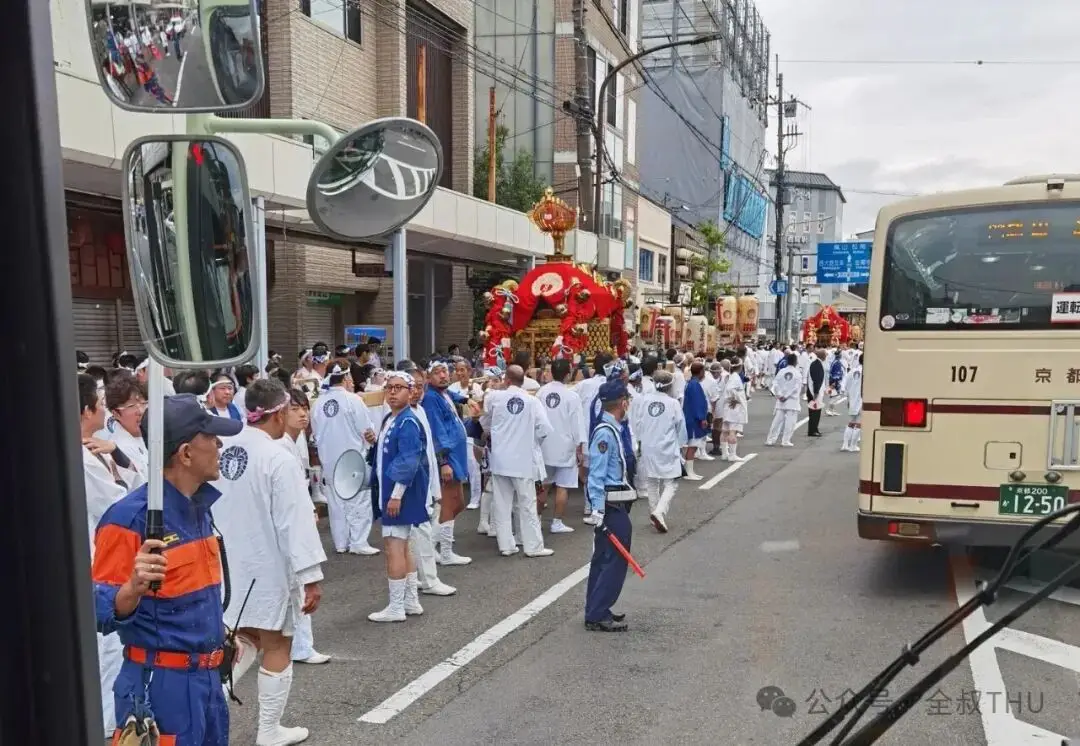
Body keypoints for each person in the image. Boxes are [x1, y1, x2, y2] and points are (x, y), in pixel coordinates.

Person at [91, 395, 242, 746]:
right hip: (160, 687)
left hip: (208, 681)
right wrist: (131, 588)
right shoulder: (130, 518)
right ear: (186, 453)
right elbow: (97, 611)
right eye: (211, 438)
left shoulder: (199, 508)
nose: (220, 444)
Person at [210, 379, 326, 746]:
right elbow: (294, 520)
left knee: (242, 637)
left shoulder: (223, 448)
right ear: (277, 413)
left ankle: (205, 710)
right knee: (277, 643)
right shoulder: (278, 456)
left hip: (226, 564)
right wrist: (310, 576)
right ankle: (269, 729)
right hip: (268, 564)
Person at [368, 371, 430, 622]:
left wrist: (396, 495)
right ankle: (410, 601)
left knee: (393, 545)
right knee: (404, 546)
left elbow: (408, 460)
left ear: (411, 391)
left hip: (399, 493)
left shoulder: (407, 422)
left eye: (399, 387)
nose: (393, 392)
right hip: (396, 491)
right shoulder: (392, 419)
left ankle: (396, 607)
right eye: (389, 387)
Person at [481, 365, 554, 557]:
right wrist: (533, 442)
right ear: (523, 381)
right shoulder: (532, 401)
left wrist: (497, 436)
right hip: (522, 460)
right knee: (527, 504)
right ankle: (533, 547)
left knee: (502, 504)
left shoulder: (495, 399)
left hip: (500, 459)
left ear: (506, 380)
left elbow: (484, 423)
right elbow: (545, 429)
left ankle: (506, 545)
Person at [310, 360, 380, 555]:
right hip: (352, 458)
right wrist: (371, 440)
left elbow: (315, 434)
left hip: (329, 460)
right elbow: (367, 430)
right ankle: (358, 541)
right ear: (347, 377)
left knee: (335, 503)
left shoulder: (318, 404)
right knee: (359, 500)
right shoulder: (353, 400)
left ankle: (341, 542)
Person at [584, 379, 635, 632]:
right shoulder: (605, 432)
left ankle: (597, 607)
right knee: (613, 559)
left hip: (615, 502)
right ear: (622, 403)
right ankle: (597, 612)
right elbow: (597, 473)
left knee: (605, 558)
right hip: (609, 504)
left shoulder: (613, 428)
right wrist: (597, 510)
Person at [420, 359, 471, 565]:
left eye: (444, 371)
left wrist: (468, 400)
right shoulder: (431, 399)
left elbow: (456, 396)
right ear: (428, 377)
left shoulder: (445, 393)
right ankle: (442, 551)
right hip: (447, 458)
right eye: (437, 372)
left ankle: (431, 547)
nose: (443, 375)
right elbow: (436, 433)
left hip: (456, 455)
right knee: (450, 502)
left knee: (457, 503)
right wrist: (444, 462)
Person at [537, 358, 586, 534]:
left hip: (544, 444)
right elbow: (577, 424)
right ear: (568, 374)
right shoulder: (572, 396)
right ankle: (556, 522)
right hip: (565, 445)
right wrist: (580, 447)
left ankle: (535, 519)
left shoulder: (541, 392)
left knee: (544, 484)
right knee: (562, 486)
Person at [636, 371, 686, 533]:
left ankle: (653, 512)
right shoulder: (673, 404)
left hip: (648, 445)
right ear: (669, 385)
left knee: (652, 480)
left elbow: (638, 423)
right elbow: (680, 426)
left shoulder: (644, 400)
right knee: (671, 482)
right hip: (667, 446)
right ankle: (659, 511)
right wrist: (681, 446)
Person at [681, 362, 709, 481]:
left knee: (694, 445)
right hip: (693, 419)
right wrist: (702, 418)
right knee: (692, 446)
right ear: (701, 372)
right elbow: (697, 403)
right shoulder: (694, 385)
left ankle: (690, 471)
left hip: (691, 417)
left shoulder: (691, 383)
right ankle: (689, 472)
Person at [766, 353, 801, 447]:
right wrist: (787, 396)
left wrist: (779, 395)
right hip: (792, 400)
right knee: (790, 421)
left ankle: (770, 439)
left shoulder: (781, 371)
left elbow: (775, 383)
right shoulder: (797, 373)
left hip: (781, 400)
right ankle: (785, 440)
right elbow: (796, 388)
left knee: (777, 420)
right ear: (796, 362)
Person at [720, 359, 749, 461]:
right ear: (740, 367)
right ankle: (732, 454)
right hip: (734, 408)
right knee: (732, 431)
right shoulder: (735, 378)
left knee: (725, 431)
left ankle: (724, 453)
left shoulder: (731, 376)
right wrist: (735, 398)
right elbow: (731, 389)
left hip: (728, 407)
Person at [842, 353, 864, 452]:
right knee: (859, 423)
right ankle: (853, 445)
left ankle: (845, 444)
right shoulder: (866, 372)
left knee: (851, 422)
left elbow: (845, 384)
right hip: (862, 399)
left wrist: (847, 396)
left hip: (852, 398)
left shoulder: (852, 371)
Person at [806, 348, 827, 437]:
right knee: (814, 412)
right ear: (822, 355)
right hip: (814, 392)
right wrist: (816, 393)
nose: (826, 356)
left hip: (816, 392)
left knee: (816, 412)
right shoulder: (817, 365)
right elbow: (817, 380)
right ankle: (812, 430)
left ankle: (815, 428)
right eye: (825, 354)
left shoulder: (818, 364)